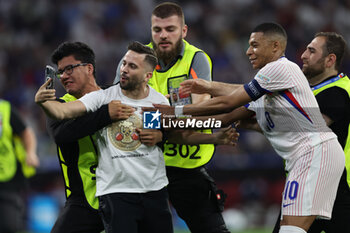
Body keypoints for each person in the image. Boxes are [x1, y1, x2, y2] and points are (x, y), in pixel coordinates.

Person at [156, 22, 346, 233]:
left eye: (255, 45)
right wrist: (165, 121)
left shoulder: (280, 68)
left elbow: (227, 102)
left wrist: (174, 112)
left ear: (275, 46)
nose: (248, 51)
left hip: (315, 155)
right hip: (306, 158)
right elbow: (223, 119)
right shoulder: (267, 91)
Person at [114, 3, 230, 232]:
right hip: (145, 168)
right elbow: (124, 116)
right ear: (151, 31)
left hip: (187, 166)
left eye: (170, 29)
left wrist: (157, 119)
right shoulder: (133, 61)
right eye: (157, 30)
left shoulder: (196, 59)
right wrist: (168, 114)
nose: (163, 35)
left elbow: (199, 113)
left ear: (183, 31)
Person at [46, 41, 135, 233]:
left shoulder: (116, 97)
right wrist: (105, 115)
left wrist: (157, 133)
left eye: (69, 69)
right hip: (83, 200)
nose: (64, 76)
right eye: (60, 71)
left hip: (123, 194)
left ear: (89, 68)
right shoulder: (60, 106)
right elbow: (61, 134)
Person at [272, 32, 350, 233]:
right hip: (308, 181)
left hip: (337, 187)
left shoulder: (338, 92)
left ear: (330, 60)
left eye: (312, 51)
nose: (303, 55)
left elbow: (302, 129)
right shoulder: (312, 91)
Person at [0, 99, 39, 233]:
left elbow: (26, 133)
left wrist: (31, 153)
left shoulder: (4, 109)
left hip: (7, 177)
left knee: (9, 226)